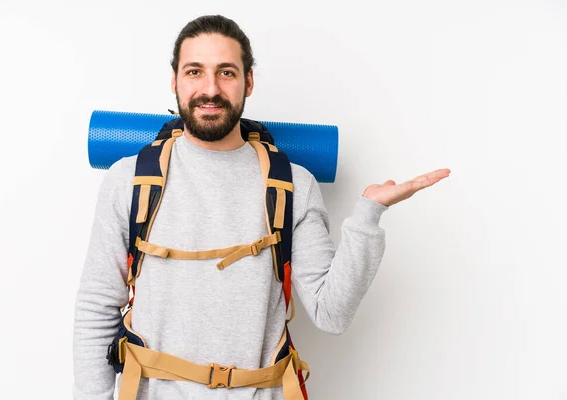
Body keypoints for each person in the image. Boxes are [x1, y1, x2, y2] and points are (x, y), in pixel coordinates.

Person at [72, 14, 451, 400]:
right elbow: (97, 308)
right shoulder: (130, 179)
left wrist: (369, 214)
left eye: (226, 73)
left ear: (248, 81)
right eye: (194, 72)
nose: (210, 89)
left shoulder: (292, 185)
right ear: (174, 81)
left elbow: (331, 314)